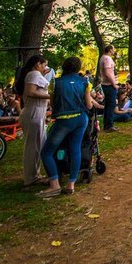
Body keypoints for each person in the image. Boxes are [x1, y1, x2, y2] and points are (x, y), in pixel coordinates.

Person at [37, 56, 92, 197]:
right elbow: (89, 105)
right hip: (81, 119)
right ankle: (71, 184)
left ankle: (54, 184)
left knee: (47, 152)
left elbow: (53, 105)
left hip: (64, 120)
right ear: (78, 68)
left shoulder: (55, 82)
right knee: (75, 149)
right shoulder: (85, 82)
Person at [16, 54, 51, 187]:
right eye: (43, 64)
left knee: (37, 145)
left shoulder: (35, 75)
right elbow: (30, 92)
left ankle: (34, 175)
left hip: (37, 113)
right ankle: (31, 178)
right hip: (33, 113)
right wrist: (50, 96)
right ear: (37, 64)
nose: (44, 67)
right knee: (33, 147)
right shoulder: (34, 75)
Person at [99, 45, 118, 132]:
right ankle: (109, 125)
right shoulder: (107, 58)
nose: (114, 51)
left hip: (105, 83)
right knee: (111, 105)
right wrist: (113, 83)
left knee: (107, 105)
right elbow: (107, 72)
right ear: (110, 50)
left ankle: (107, 124)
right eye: (113, 49)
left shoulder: (103, 57)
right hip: (109, 84)